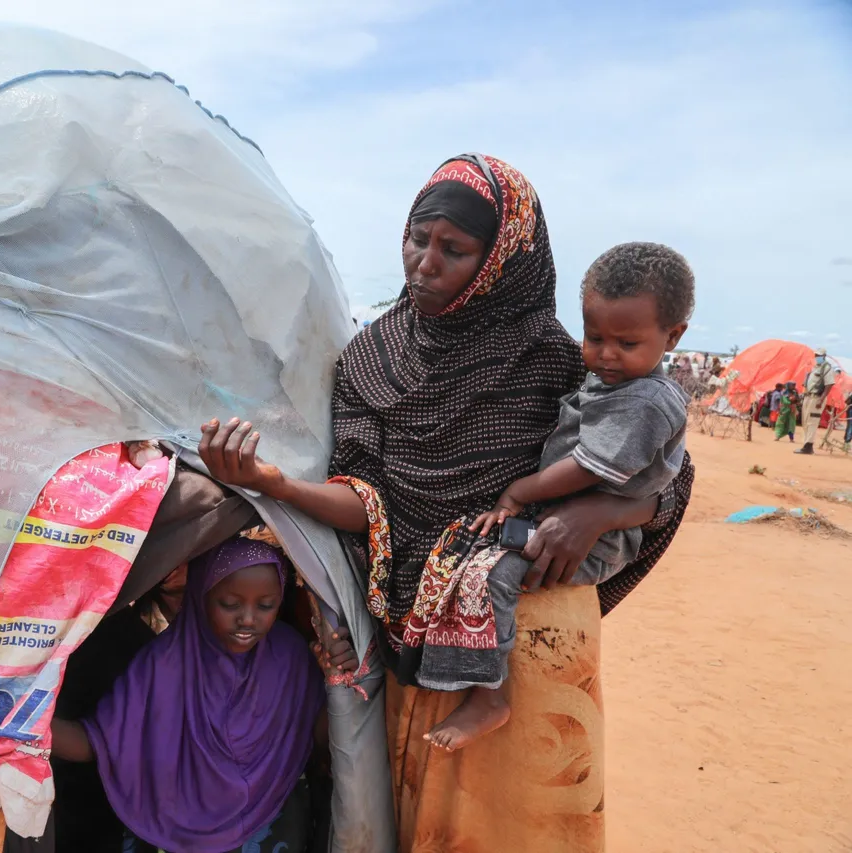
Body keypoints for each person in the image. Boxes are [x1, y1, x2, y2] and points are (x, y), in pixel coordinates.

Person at [199, 154, 694, 852]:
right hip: (421, 637)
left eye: (454, 249)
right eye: (416, 239)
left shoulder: (557, 358)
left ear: (501, 260)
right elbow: (366, 501)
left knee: (523, 825)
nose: (423, 264)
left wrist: (599, 513)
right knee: (426, 826)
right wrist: (273, 483)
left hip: (534, 642)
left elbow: (665, 470)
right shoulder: (371, 359)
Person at [439, 242, 692, 749]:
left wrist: (520, 490)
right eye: (594, 336)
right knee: (472, 557)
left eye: (625, 342)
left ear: (673, 336)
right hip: (553, 522)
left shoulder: (643, 399)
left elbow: (587, 469)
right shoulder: (609, 381)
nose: (604, 354)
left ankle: (490, 695)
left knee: (495, 575)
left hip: (590, 542)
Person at [49, 538, 331, 853]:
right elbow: (101, 742)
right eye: (230, 604)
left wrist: (338, 683)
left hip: (273, 826)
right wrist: (21, 727)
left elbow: (317, 737)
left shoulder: (290, 656)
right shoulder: (162, 664)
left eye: (266, 605)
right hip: (171, 837)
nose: (248, 619)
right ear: (200, 598)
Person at [796, 348, 837, 454]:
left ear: (824, 356)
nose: (817, 357)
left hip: (817, 398)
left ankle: (808, 446)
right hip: (808, 397)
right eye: (816, 355)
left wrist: (821, 399)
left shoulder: (826, 367)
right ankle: (805, 444)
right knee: (805, 421)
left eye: (819, 355)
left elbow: (829, 384)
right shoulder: (815, 368)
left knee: (812, 422)